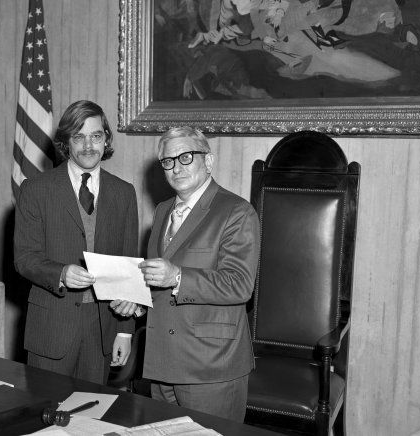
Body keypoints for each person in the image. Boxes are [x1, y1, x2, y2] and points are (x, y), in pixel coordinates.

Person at [138, 126, 260, 422]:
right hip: (162, 361)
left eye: (186, 157)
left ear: (208, 161)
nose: (176, 167)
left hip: (210, 366)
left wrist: (178, 276)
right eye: (168, 161)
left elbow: (240, 285)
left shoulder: (237, 212)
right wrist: (137, 300)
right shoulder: (163, 210)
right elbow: (160, 280)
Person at [13, 100, 139, 385]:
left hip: (102, 328)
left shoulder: (124, 193)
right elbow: (24, 258)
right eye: (78, 137)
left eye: (95, 136)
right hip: (51, 328)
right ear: (65, 142)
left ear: (106, 139)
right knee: (44, 415)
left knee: (91, 417)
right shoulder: (35, 190)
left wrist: (124, 331)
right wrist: (60, 273)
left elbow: (127, 268)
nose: (88, 145)